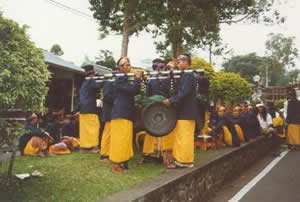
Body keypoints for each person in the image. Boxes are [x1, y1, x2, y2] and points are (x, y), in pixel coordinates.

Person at [163, 54, 198, 168]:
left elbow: (183, 93)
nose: (178, 62)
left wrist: (171, 100)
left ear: (187, 62)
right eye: (177, 60)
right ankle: (180, 159)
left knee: (185, 137)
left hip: (187, 111)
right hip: (182, 110)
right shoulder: (182, 75)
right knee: (180, 136)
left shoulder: (188, 75)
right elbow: (176, 90)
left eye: (181, 60)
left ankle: (185, 161)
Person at [109, 57, 143, 173]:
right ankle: (116, 165)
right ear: (120, 67)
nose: (129, 66)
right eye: (126, 65)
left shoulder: (125, 78)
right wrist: (137, 78)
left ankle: (122, 163)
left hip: (125, 113)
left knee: (125, 140)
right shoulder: (119, 79)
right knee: (119, 140)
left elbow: (135, 90)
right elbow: (133, 90)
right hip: (120, 113)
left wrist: (138, 80)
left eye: (129, 64)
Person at [79, 64, 101, 153]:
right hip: (90, 108)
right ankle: (94, 146)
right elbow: (97, 86)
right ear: (93, 73)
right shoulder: (91, 80)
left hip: (83, 108)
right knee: (94, 126)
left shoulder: (84, 82)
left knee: (85, 129)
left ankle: (84, 147)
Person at [99, 80, 114, 163]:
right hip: (109, 113)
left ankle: (108, 153)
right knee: (107, 134)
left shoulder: (111, 83)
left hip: (112, 112)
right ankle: (104, 155)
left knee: (110, 134)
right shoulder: (109, 82)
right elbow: (107, 96)